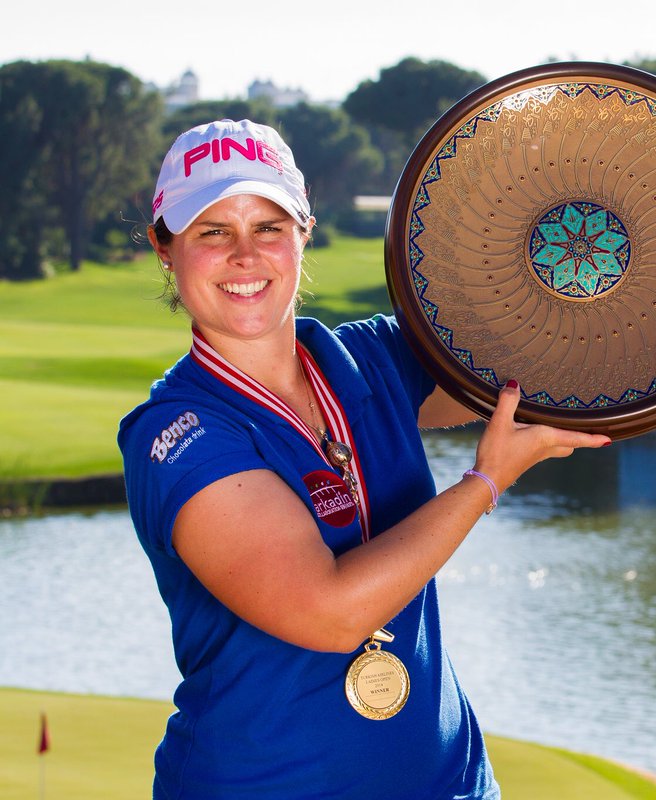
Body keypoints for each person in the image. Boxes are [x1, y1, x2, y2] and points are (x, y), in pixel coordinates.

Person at [118, 118, 611, 799]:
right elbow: (330, 612)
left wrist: (640, 163)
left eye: (268, 226)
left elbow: (530, 331)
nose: (245, 254)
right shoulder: (177, 432)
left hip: (453, 784)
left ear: (303, 232)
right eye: (211, 231)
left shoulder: (372, 358)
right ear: (164, 249)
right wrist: (485, 482)